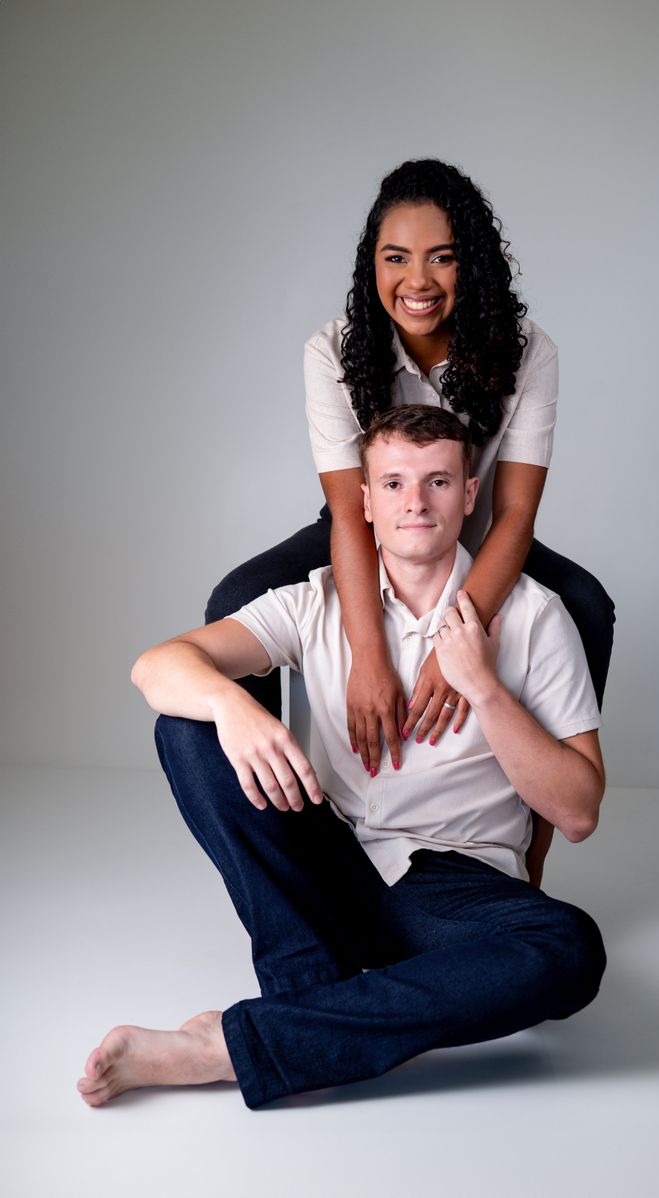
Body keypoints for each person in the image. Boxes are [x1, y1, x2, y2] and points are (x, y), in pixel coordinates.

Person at [77, 406, 606, 1110]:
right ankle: (312, 1002)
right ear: (364, 502)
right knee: (189, 725)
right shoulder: (314, 600)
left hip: (449, 890)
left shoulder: (537, 616)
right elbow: (156, 666)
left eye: (438, 481)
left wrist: (483, 686)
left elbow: (578, 812)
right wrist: (234, 706)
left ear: (469, 495)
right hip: (325, 860)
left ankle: (240, 1042)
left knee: (569, 948)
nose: (415, 503)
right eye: (393, 484)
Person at [206, 159, 614, 885]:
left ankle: (528, 859)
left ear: (471, 265)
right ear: (372, 264)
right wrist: (369, 653)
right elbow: (347, 511)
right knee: (234, 598)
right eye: (396, 258)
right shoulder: (332, 349)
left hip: (477, 528)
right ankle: (278, 840)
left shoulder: (527, 351)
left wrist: (455, 637)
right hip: (366, 523)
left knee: (585, 605)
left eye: (441, 258)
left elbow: (515, 513)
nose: (416, 280)